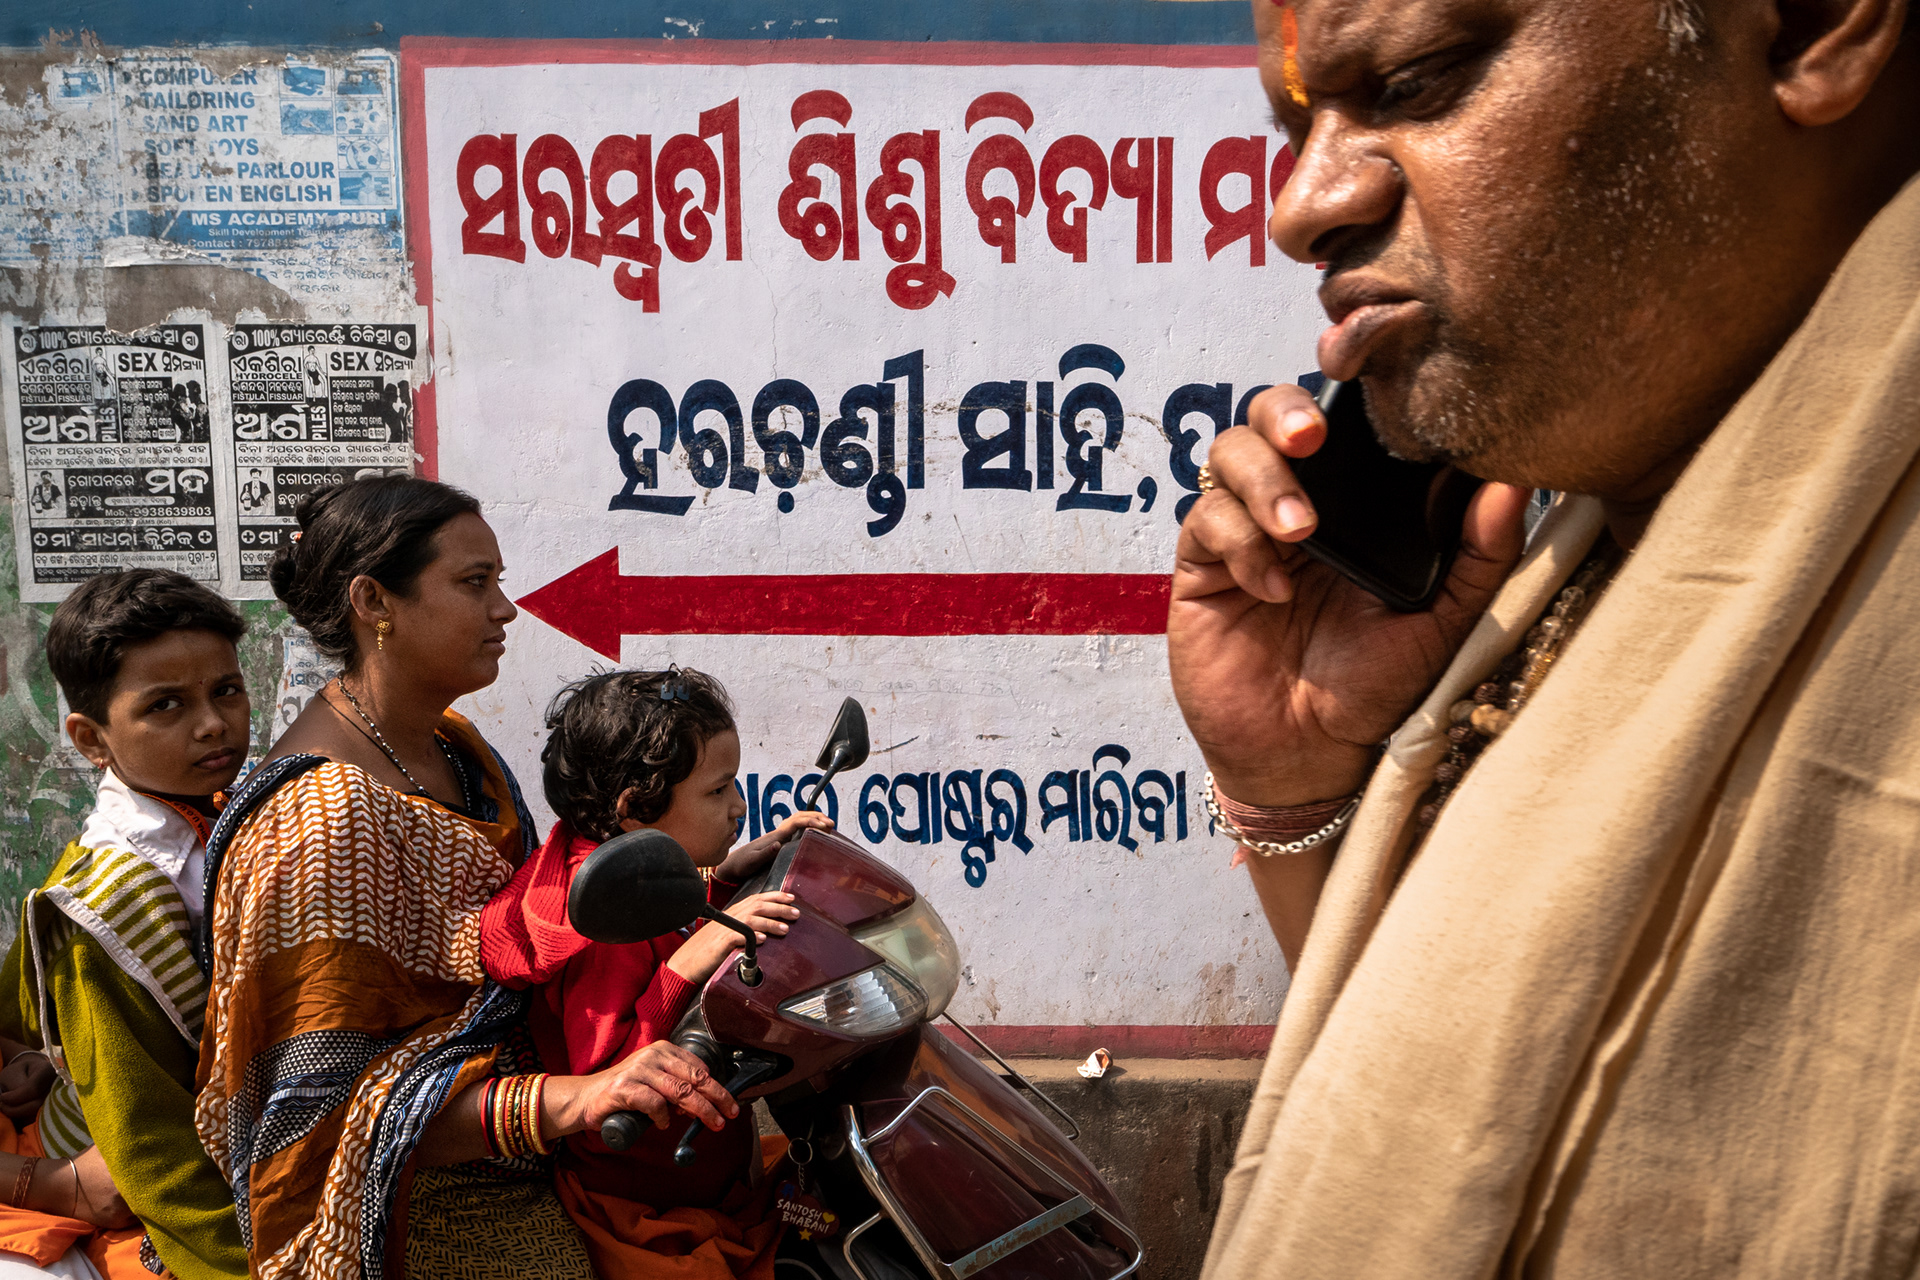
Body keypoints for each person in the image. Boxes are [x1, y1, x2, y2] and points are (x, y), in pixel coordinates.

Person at [1175, 2, 1920, 1277]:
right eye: (1298, 131)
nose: (1302, 206)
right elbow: (1463, 1125)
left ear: (1809, 27)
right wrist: (1295, 786)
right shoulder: (1588, 543)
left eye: (1415, 78)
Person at [194, 476, 740, 1280]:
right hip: (420, 1201)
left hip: (558, 1140)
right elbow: (330, 1115)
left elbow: (542, 925)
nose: (505, 610)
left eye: (499, 582)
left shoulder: (455, 748)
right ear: (374, 602)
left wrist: (713, 878)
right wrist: (577, 1098)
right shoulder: (320, 822)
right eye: (474, 583)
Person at [480, 669, 827, 1280]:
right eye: (717, 791)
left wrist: (727, 877)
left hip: (705, 1177)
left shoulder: (631, 873)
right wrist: (686, 966)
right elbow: (606, 1088)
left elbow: (674, 915)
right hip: (649, 1212)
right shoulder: (602, 925)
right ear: (636, 809)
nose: (739, 807)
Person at [0, 570, 251, 1280]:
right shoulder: (104, 907)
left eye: (226, 690)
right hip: (134, 1187)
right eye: (165, 705)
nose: (212, 723)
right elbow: (149, 1150)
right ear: (91, 739)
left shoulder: (239, 814)